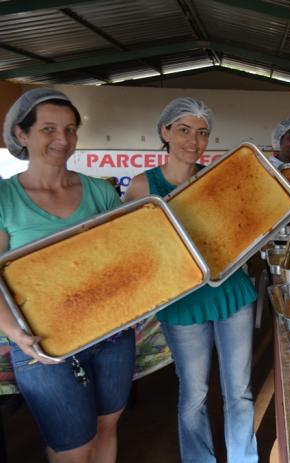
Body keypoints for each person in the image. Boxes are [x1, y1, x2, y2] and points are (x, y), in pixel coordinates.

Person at [0, 88, 135, 462]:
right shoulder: (4, 198)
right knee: (74, 447)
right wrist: (16, 335)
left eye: (70, 129)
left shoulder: (98, 192)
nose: (63, 139)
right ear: (21, 135)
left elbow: (122, 260)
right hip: (42, 344)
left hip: (110, 336)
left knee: (107, 428)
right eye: (48, 129)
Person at [125, 97, 258, 463]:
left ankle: (243, 459)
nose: (193, 140)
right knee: (194, 394)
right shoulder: (141, 186)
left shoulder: (215, 181)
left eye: (202, 133)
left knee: (239, 392)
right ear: (164, 132)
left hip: (230, 294)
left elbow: (238, 232)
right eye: (183, 130)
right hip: (183, 302)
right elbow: (129, 249)